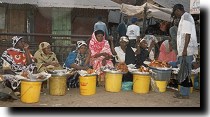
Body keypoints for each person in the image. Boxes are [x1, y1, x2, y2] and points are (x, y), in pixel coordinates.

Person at [172, 4, 198, 99]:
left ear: (178, 10)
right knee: (183, 70)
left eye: (175, 12)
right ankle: (182, 91)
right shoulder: (184, 17)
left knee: (186, 71)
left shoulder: (186, 17)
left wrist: (184, 49)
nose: (175, 15)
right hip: (184, 49)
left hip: (186, 49)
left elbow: (187, 34)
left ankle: (185, 94)